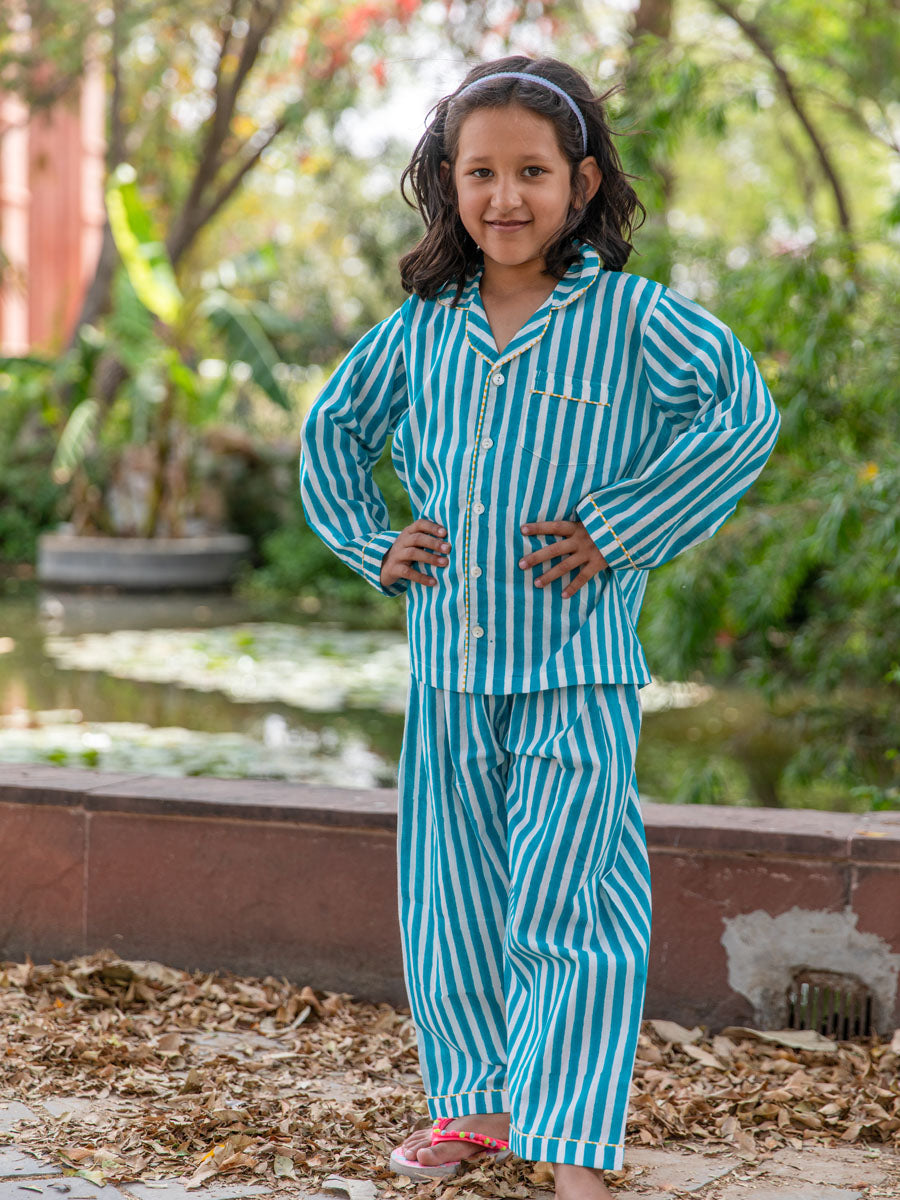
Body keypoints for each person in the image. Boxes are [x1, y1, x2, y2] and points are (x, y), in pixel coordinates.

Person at [299, 54, 781, 1200]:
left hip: (576, 669)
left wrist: (621, 528)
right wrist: (374, 543)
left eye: (531, 173)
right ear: (448, 185)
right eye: (480, 173)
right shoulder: (423, 327)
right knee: (452, 903)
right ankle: (475, 1110)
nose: (504, 197)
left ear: (582, 182)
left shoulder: (632, 319)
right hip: (449, 671)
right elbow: (330, 434)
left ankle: (572, 1148)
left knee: (572, 905)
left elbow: (743, 411)